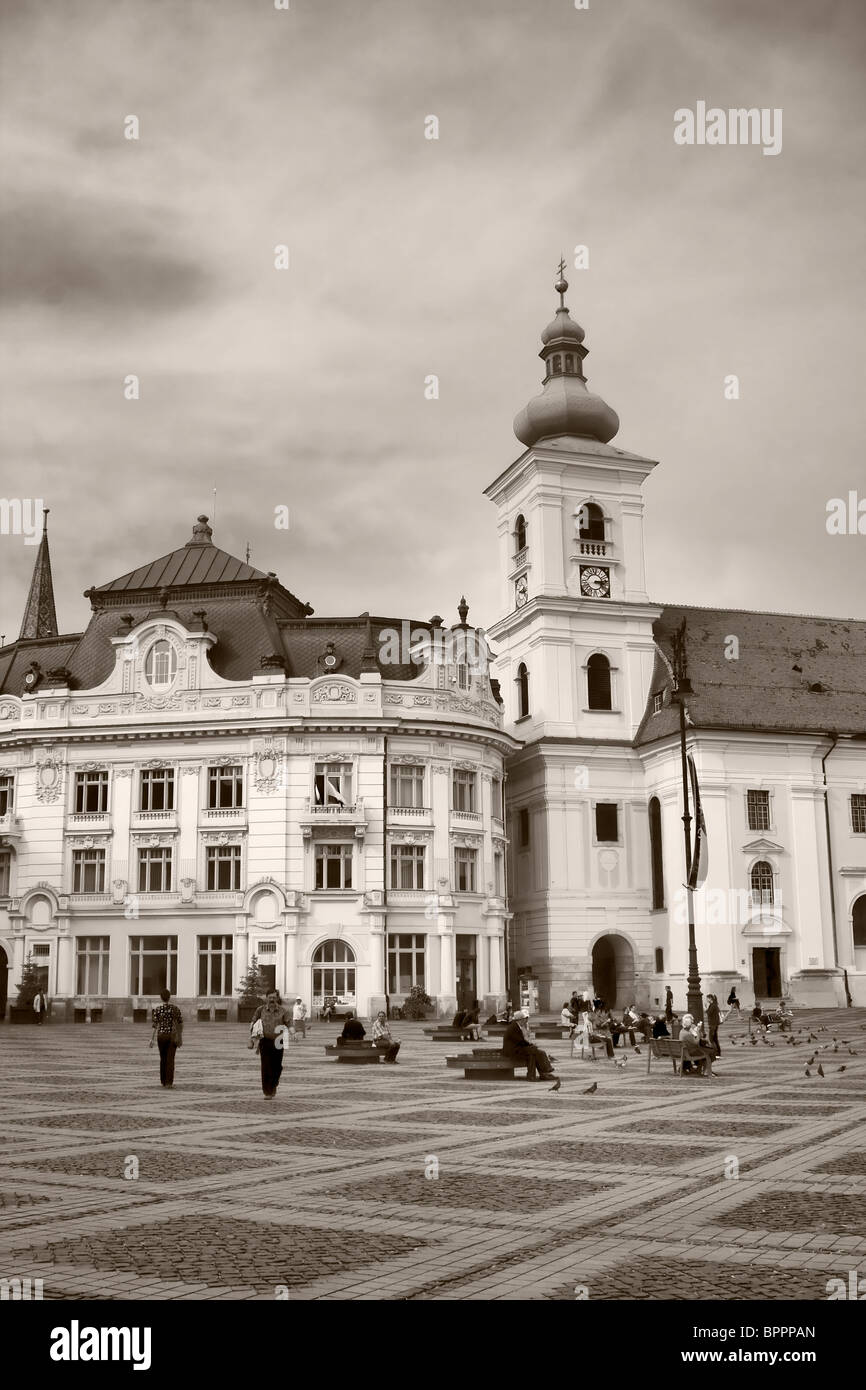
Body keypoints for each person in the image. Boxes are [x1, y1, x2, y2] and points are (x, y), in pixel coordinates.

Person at [251, 990, 292, 1098]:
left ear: (277, 998)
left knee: (277, 1066)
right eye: (270, 997)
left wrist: (294, 1033)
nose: (272, 999)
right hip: (265, 1041)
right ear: (266, 998)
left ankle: (274, 1083)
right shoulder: (260, 1010)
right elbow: (253, 1022)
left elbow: (289, 1023)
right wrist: (252, 1037)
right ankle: (267, 1091)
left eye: (274, 997)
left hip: (279, 1041)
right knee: (266, 1066)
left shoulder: (283, 1011)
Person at [502, 1009, 557, 1081]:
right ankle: (544, 1072)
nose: (526, 1020)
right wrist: (530, 1045)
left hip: (518, 1049)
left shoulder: (517, 1026)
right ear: (520, 1020)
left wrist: (530, 1045)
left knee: (533, 1054)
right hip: (513, 1051)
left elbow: (520, 1041)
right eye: (524, 1019)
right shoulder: (513, 1027)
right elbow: (520, 1041)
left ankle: (535, 1075)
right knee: (535, 1051)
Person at [149, 988, 183, 1088]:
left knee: (163, 1058)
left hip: (161, 1036)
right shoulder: (175, 1009)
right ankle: (169, 1082)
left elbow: (155, 1025)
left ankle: (163, 1081)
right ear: (169, 997)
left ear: (161, 998)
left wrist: (152, 1039)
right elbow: (180, 1023)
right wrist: (180, 1036)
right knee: (170, 1059)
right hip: (172, 1037)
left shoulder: (158, 1010)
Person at [679, 1013, 716, 1077]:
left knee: (709, 1051)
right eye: (691, 1023)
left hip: (687, 1051)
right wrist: (697, 1032)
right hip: (690, 1052)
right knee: (710, 1052)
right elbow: (696, 1042)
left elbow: (697, 1038)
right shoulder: (686, 1034)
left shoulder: (682, 1031)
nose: (692, 1024)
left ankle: (701, 1069)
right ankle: (706, 1070)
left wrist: (696, 1031)